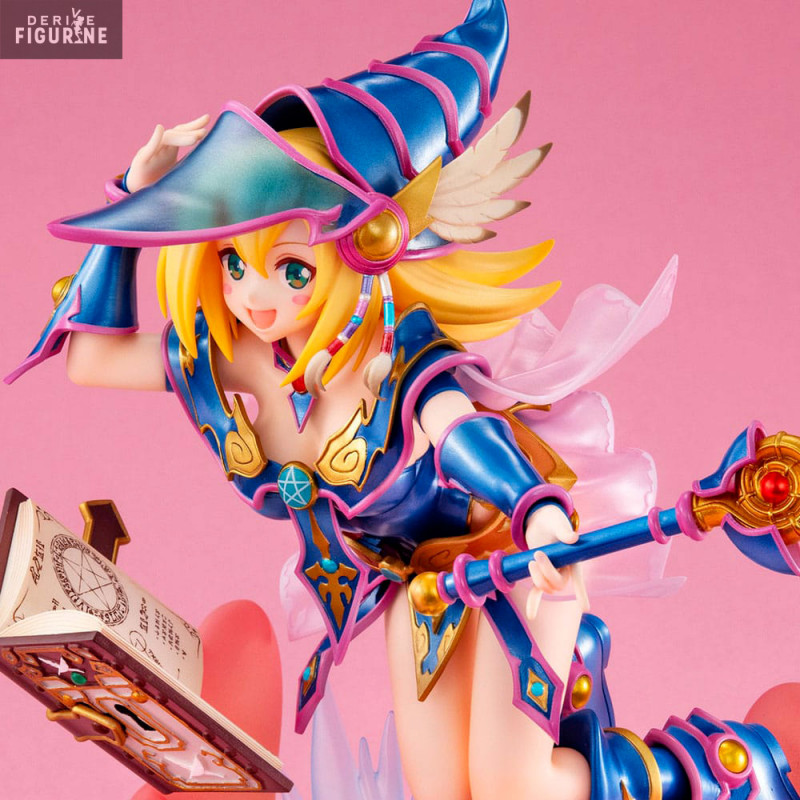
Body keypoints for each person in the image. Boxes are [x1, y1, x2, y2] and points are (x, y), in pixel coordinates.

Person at [7, 1, 800, 798]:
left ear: (361, 249)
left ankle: (719, 775)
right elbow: (92, 359)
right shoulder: (236, 362)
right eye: (234, 264)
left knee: (513, 786)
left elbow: (459, 431)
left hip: (518, 563)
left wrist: (537, 512)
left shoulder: (396, 356)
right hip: (415, 588)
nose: (254, 296)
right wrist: (127, 203)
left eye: (291, 269)